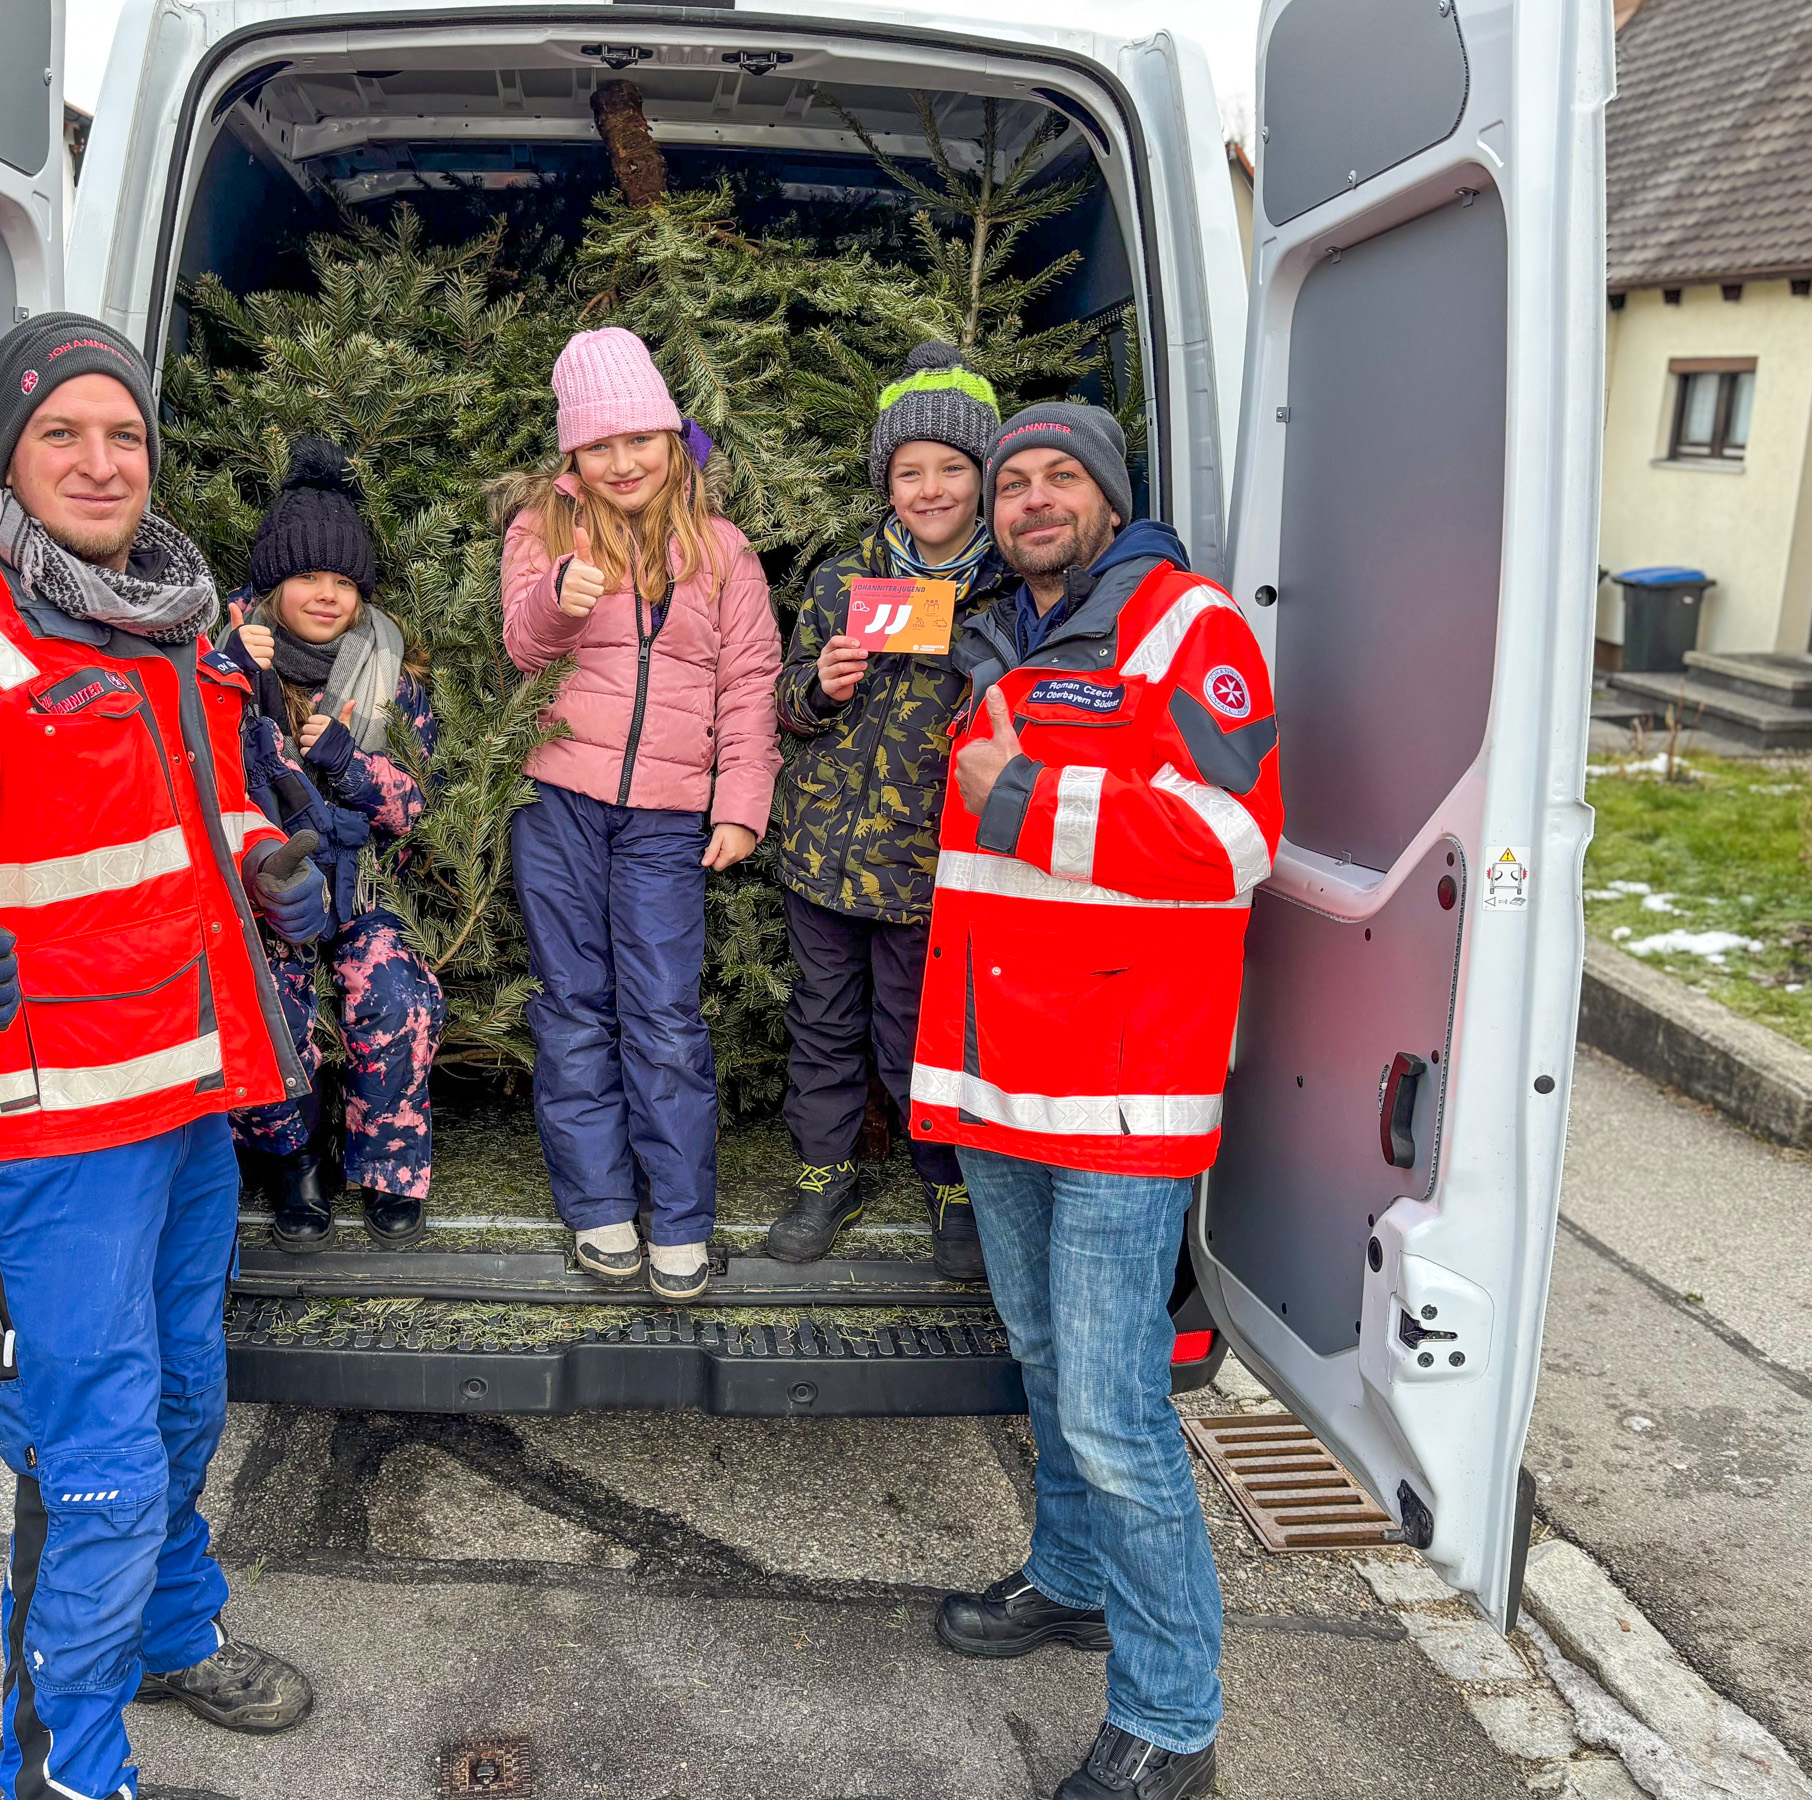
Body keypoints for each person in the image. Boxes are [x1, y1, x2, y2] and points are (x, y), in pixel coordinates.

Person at [0, 314, 327, 1800]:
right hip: (49, 1136)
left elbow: (192, 820)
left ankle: (172, 1637)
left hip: (183, 1095)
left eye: (127, 436)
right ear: (10, 457)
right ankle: (63, 1772)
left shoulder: (162, 624)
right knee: (96, 1468)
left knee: (179, 1408)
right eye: (66, 435)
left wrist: (266, 858)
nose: (103, 462)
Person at [913, 403, 1281, 1800]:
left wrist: (1026, 802)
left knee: (1121, 1416)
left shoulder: (1190, 633)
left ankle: (1173, 1720)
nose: (1032, 499)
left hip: (1121, 1090)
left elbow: (1236, 837)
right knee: (1052, 1364)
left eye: (1061, 476)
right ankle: (1068, 1581)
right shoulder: (999, 636)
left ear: (1111, 498)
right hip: (1005, 1072)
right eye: (1014, 482)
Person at [495, 325, 782, 1302]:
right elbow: (524, 650)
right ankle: (599, 1209)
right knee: (574, 1010)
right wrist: (557, 601)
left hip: (666, 816)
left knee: (663, 1015)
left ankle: (683, 1222)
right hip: (559, 805)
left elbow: (750, 682)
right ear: (573, 455)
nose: (622, 463)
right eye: (600, 446)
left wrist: (741, 801)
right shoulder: (544, 531)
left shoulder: (724, 550)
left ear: (670, 441)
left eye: (639, 442)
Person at [765, 340, 1012, 1281]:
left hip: (932, 869)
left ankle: (947, 1180)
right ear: (886, 482)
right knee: (823, 1024)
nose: (931, 487)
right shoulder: (841, 578)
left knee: (923, 1034)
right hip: (824, 859)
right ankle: (823, 1173)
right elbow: (784, 705)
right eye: (910, 471)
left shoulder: (1006, 593)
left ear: (983, 477)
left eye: (952, 468)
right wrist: (818, 688)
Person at [223, 436, 445, 1251]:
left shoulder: (389, 680)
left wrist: (355, 769)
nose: (325, 595)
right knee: (268, 1000)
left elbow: (421, 808)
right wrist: (221, 677)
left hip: (361, 885)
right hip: (263, 890)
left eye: (344, 582)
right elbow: (191, 772)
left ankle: (387, 1165)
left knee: (393, 991)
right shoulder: (220, 664)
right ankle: (293, 1160)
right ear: (273, 582)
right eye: (308, 577)